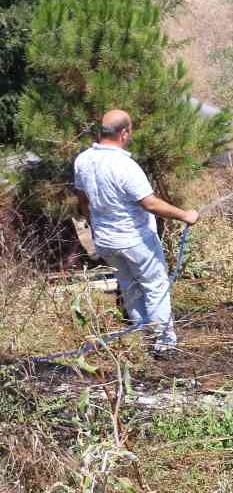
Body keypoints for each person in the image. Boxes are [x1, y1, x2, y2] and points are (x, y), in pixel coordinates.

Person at [72, 110, 199, 355]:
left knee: (130, 288)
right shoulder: (125, 165)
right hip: (134, 239)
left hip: (106, 241)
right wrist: (186, 215)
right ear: (124, 133)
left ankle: (144, 339)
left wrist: (95, 224)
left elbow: (82, 199)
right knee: (155, 286)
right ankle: (163, 344)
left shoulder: (83, 160)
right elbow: (149, 203)